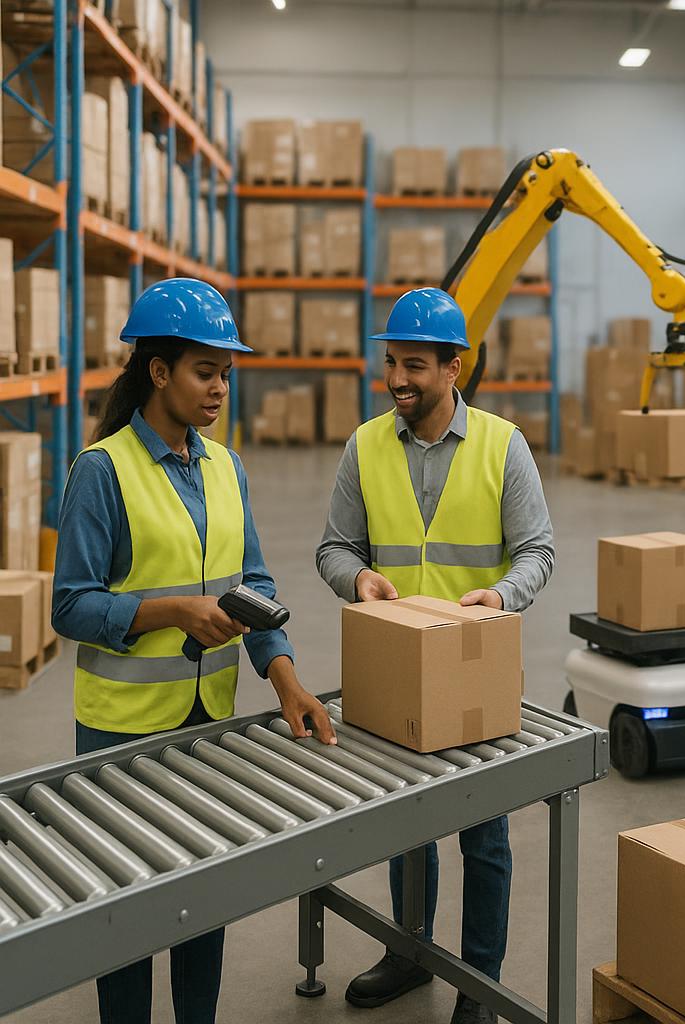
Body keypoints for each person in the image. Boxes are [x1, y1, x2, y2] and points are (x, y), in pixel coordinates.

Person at [53, 278, 336, 1024]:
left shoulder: (225, 467)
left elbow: (254, 582)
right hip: (122, 730)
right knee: (127, 914)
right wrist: (171, 610)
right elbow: (70, 605)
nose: (219, 390)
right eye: (205, 373)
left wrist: (283, 675)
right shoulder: (102, 472)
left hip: (207, 721)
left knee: (201, 901)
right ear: (158, 371)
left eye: (226, 375)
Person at [315, 287, 554, 1024]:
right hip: (396, 675)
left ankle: (478, 983)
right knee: (406, 829)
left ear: (456, 367)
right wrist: (356, 577)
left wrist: (503, 597)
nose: (397, 381)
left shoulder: (502, 445)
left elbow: (537, 551)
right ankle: (409, 953)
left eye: (414, 365)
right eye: (391, 363)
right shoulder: (365, 446)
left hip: (473, 677)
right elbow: (333, 546)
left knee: (484, 840)